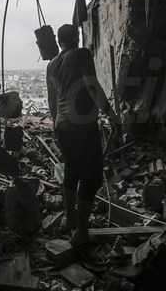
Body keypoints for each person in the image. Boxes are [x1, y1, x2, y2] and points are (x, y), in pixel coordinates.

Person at [46, 24, 116, 246]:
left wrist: (56, 125)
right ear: (76, 38)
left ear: (59, 41)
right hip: (82, 126)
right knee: (91, 176)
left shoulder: (51, 65)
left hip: (62, 125)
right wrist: (111, 114)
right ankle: (82, 232)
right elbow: (92, 86)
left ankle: (69, 218)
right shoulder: (82, 54)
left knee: (71, 170)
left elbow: (52, 101)